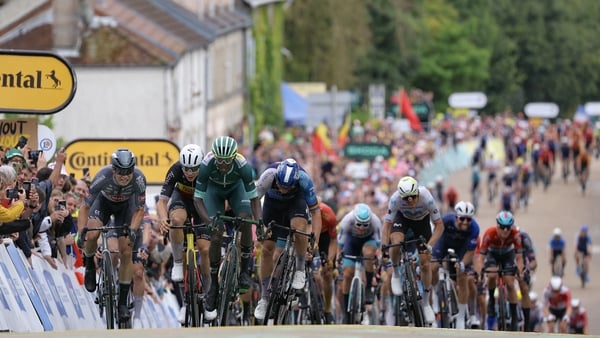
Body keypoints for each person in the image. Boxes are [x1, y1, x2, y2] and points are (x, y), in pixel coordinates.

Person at [193, 136, 261, 321]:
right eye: (219, 160)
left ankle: (245, 271)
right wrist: (209, 221)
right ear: (214, 156)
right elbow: (198, 198)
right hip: (213, 191)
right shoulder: (206, 165)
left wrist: (260, 222)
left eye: (226, 160)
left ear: (234, 157)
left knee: (246, 220)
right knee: (215, 233)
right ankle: (213, 285)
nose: (223, 164)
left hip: (236, 189)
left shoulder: (243, 166)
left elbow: (254, 198)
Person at [79, 148, 147, 323]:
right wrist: (81, 232)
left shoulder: (139, 179)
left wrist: (132, 229)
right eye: (121, 172)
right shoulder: (103, 176)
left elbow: (140, 210)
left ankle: (123, 302)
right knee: (92, 235)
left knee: (126, 251)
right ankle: (89, 265)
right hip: (103, 204)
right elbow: (85, 206)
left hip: (126, 208)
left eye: (129, 171)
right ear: (114, 169)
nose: (125, 176)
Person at [253, 158, 322, 322]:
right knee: (268, 248)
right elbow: (253, 200)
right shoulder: (269, 175)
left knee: (299, 228)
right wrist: (260, 224)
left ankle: (299, 269)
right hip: (272, 205)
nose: (283, 190)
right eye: (281, 186)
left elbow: (316, 212)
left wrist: (315, 241)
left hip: (295, 204)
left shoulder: (304, 180)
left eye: (287, 187)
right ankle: (264, 298)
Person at [381, 175, 444, 325]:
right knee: (396, 243)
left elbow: (439, 226)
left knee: (425, 263)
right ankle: (396, 272)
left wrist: (430, 245)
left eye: (412, 197)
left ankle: (426, 303)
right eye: (406, 198)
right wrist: (384, 247)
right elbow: (387, 226)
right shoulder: (395, 199)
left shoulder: (426, 197)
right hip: (402, 220)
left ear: (417, 193)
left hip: (422, 222)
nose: (409, 200)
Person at [156, 144, 209, 286]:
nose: (189, 173)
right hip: (182, 198)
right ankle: (178, 262)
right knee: (176, 220)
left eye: (194, 169)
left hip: (201, 202)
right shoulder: (175, 170)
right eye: (186, 168)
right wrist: (162, 218)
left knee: (204, 249)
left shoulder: (208, 170)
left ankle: (209, 289)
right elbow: (162, 201)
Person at [431, 201, 480, 329]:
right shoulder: (446, 220)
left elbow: (470, 252)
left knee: (462, 276)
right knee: (433, 267)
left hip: (462, 249)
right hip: (444, 243)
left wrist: (463, 264)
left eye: (468, 220)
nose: (465, 222)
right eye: (462, 218)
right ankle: (436, 295)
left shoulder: (474, 228)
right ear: (456, 217)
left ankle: (461, 316)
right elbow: (436, 233)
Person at [478, 210, 524, 332]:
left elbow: (519, 258)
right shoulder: (489, 233)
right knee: (492, 275)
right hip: (492, 254)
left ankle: (514, 317)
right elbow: (481, 257)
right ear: (497, 226)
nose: (505, 231)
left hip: (507, 254)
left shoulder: (515, 234)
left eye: (508, 228)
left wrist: (519, 272)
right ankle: (492, 300)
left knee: (510, 283)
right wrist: (481, 271)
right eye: (502, 227)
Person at [337, 203, 382, 324]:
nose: (362, 228)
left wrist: (377, 257)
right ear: (354, 220)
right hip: (351, 243)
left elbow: (379, 244)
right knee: (347, 275)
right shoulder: (347, 220)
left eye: (365, 225)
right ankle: (346, 314)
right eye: (358, 224)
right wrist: (338, 258)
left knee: (368, 254)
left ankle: (368, 288)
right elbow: (340, 245)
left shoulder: (375, 221)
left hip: (369, 241)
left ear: (370, 221)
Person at [313, 199, 338, 324]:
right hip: (308, 236)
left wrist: (329, 260)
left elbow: (333, 241)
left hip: (325, 240)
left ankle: (327, 309)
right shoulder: (301, 211)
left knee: (327, 274)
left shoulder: (329, 215)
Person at [517, 227, 537, 331]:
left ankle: (527, 323)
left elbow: (533, 262)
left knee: (524, 288)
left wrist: (527, 269)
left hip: (522, 261)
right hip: (506, 258)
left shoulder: (524, 237)